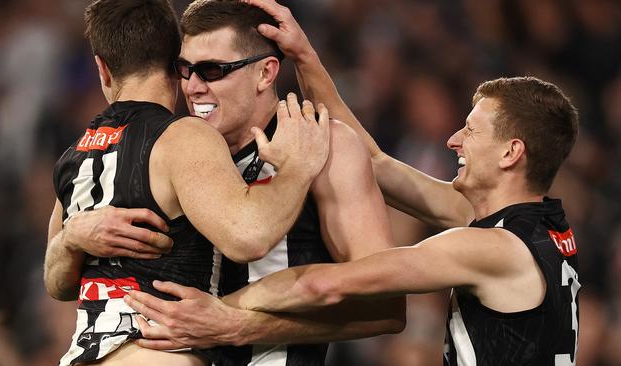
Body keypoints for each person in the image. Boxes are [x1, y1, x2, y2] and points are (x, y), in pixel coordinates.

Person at [126, 1, 581, 365]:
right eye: (185, 71)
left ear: (511, 153)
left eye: (472, 130)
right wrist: (306, 58)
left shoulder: (487, 247)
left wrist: (226, 315)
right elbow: (378, 163)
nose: (453, 139)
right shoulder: (529, 228)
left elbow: (332, 288)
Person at [47, 0, 405, 365]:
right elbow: (64, 279)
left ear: (266, 73)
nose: (193, 87)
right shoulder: (169, 148)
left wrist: (240, 326)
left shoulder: (325, 147)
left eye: (213, 70)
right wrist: (71, 237)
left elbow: (386, 307)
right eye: (184, 70)